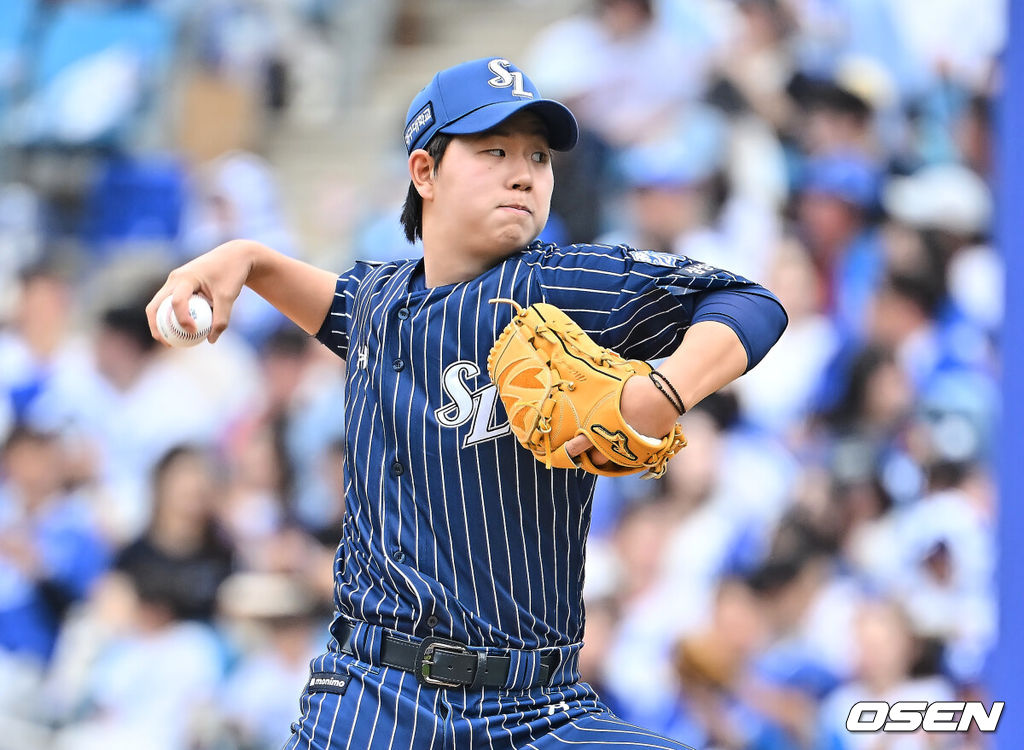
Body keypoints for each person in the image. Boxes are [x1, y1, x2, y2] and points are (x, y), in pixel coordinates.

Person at [146, 57, 788, 749]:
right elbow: (330, 299)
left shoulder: (557, 285)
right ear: (425, 172)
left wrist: (664, 391)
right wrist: (247, 257)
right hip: (372, 698)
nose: (524, 173)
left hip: (539, 707)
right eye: (494, 151)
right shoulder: (377, 303)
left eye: (538, 156)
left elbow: (751, 301)